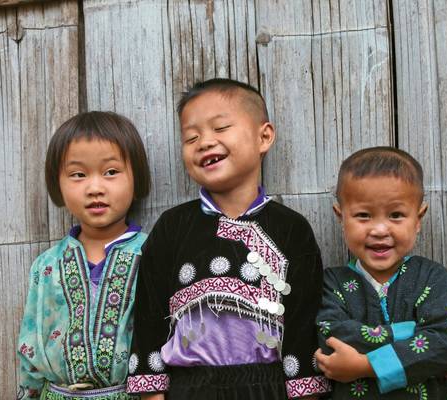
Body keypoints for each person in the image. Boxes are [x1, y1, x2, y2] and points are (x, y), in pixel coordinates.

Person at [126, 78, 329, 399]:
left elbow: (304, 323)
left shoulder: (291, 228)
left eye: (220, 128)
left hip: (269, 387)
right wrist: (152, 392)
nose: (204, 142)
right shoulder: (173, 227)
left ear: (264, 136)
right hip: (189, 388)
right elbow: (149, 317)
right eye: (191, 137)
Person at [16, 111, 151, 399]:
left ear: (136, 177)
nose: (95, 188)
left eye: (111, 172)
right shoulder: (47, 265)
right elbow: (30, 343)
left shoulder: (153, 254)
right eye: (78, 175)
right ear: (58, 185)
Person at [315, 147, 447, 399]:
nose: (379, 229)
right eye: (363, 215)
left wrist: (365, 366)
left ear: (418, 219)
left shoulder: (430, 277)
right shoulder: (331, 283)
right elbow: (331, 338)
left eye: (396, 215)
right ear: (341, 217)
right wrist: (411, 333)